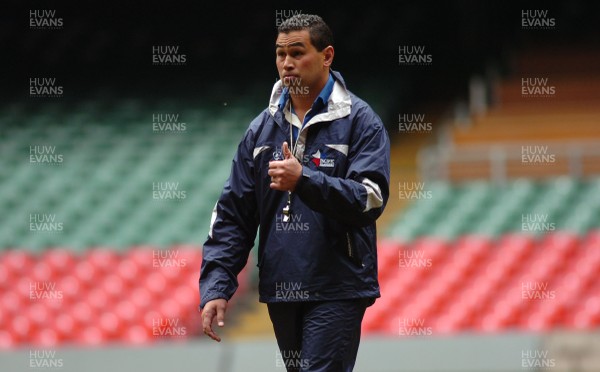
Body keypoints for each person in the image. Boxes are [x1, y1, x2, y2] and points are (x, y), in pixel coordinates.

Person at [199, 13, 390, 371]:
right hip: (282, 285)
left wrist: (305, 179)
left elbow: (370, 198)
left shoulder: (361, 122)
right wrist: (216, 287)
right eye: (280, 54)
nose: (286, 63)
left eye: (297, 53)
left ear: (327, 56)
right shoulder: (260, 130)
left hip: (338, 285)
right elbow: (233, 215)